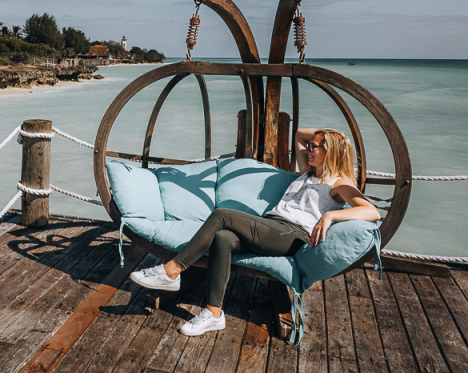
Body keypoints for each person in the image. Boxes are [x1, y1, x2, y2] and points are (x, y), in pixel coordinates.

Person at [129, 128, 380, 336]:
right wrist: (324, 135)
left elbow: (371, 211)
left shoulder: (339, 183)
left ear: (332, 152)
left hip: (291, 236)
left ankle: (171, 271)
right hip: (271, 227)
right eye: (311, 146)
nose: (309, 149)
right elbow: (300, 134)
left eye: (317, 147)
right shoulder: (308, 172)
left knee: (222, 215)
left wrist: (331, 215)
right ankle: (214, 313)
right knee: (222, 238)